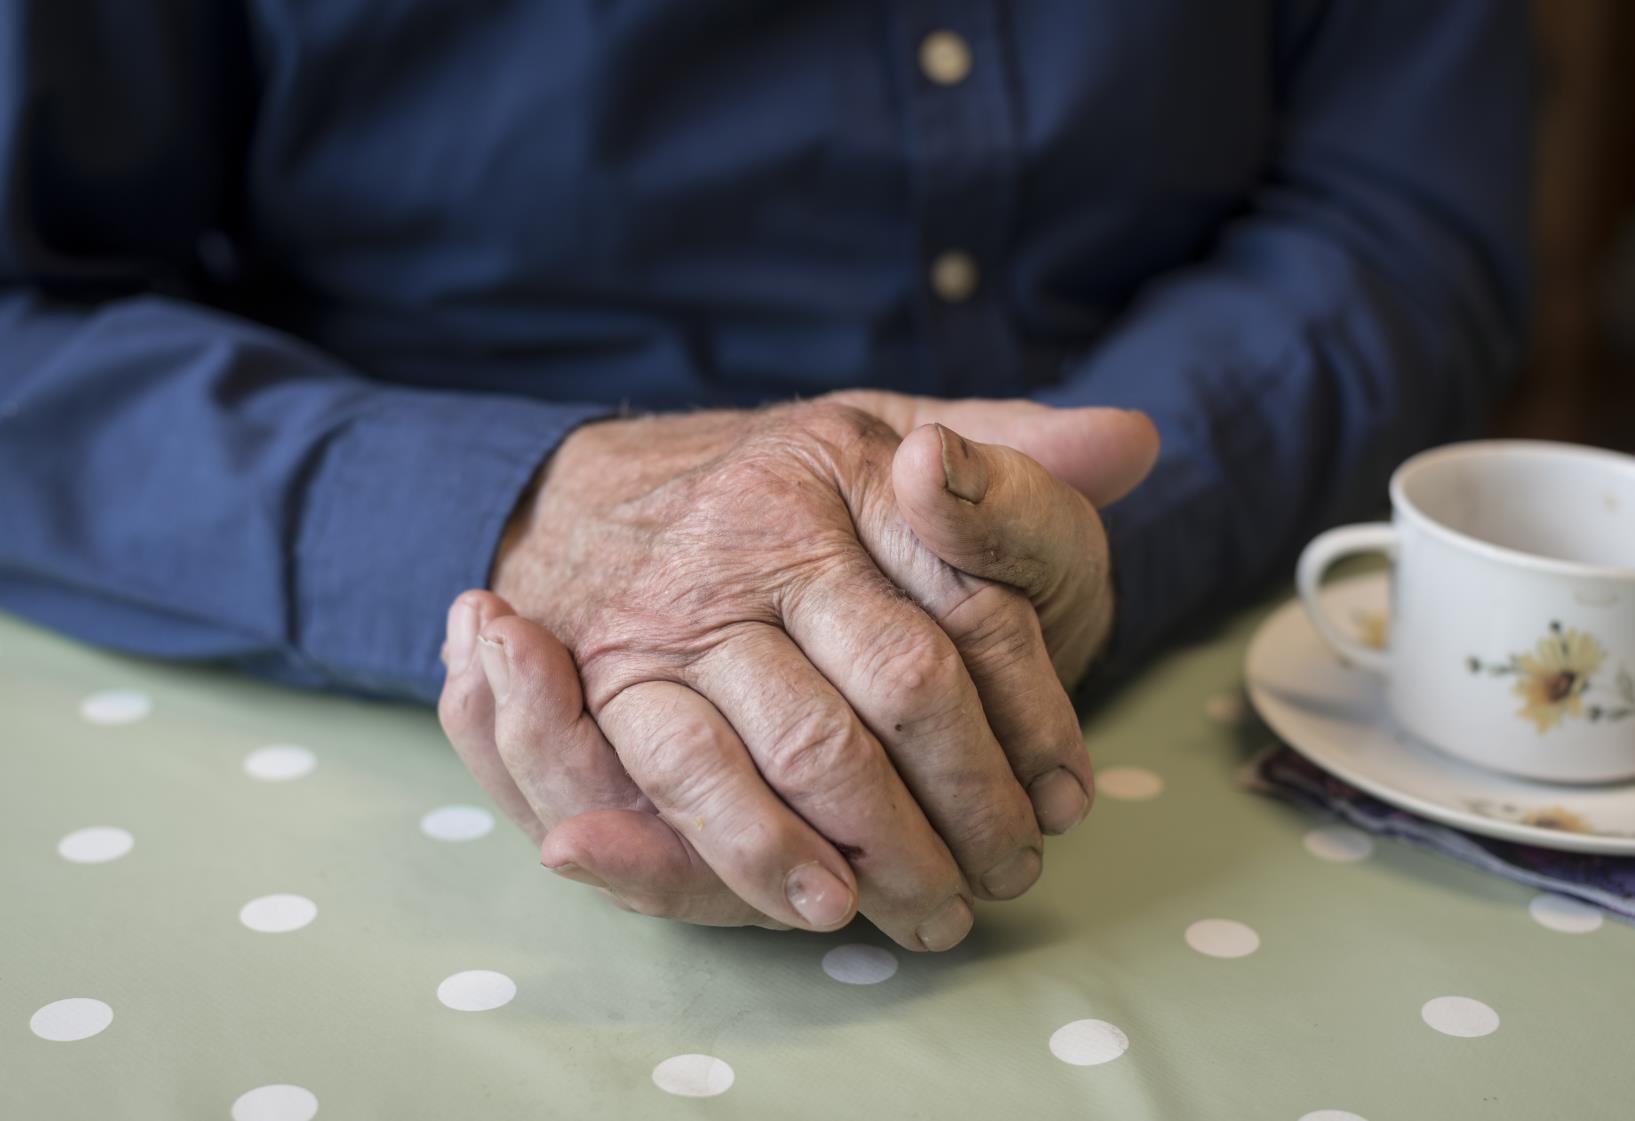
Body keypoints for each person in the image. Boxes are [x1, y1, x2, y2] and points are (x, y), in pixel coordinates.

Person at [0, 1, 1531, 950]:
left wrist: (1020, 531)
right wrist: (529, 514)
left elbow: (1395, 213)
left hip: (1148, 671)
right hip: (377, 730)